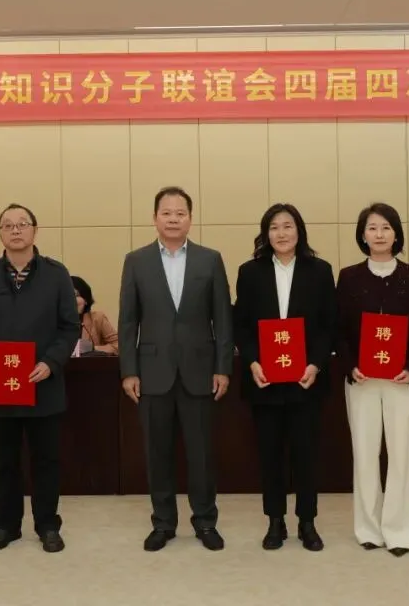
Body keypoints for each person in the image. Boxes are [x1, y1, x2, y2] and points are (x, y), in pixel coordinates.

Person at [118, 186, 233, 552]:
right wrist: (128, 370)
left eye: (180, 213)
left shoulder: (209, 259)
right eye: (166, 213)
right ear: (155, 218)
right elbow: (127, 321)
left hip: (200, 371)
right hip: (152, 373)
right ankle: (163, 523)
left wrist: (223, 367)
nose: (173, 219)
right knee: (157, 454)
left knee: (202, 454)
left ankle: (205, 522)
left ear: (190, 219)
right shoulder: (136, 261)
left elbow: (223, 319)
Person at [0, 203, 80, 554]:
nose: (16, 230)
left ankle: (48, 526)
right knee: (4, 462)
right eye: (8, 225)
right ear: (0, 233)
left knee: (46, 460)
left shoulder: (56, 274)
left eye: (23, 224)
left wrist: (51, 363)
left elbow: (69, 327)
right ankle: (6, 526)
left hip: (43, 384)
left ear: (34, 230)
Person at [233, 204, 335, 552]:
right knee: (270, 454)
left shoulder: (320, 271)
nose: (281, 233)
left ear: (299, 231)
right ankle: (275, 521)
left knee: (306, 454)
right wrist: (252, 362)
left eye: (288, 226)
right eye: (274, 227)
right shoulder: (250, 272)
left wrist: (316, 364)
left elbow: (328, 325)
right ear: (266, 233)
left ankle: (307, 522)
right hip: (265, 380)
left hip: (306, 379)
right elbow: (241, 325)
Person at [336, 203, 409, 557]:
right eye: (372, 228)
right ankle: (368, 528)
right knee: (364, 454)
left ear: (396, 234)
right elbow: (339, 330)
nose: (379, 234)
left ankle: (400, 530)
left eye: (386, 227)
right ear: (362, 235)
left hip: (400, 379)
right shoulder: (349, 277)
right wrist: (350, 366)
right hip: (361, 379)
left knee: (401, 453)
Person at [71, 275, 119, 355]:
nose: (71, 300)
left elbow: (118, 346)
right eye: (67, 296)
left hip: (89, 362)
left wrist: (92, 348)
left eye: (76, 295)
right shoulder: (52, 321)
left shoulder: (98, 318)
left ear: (86, 300)